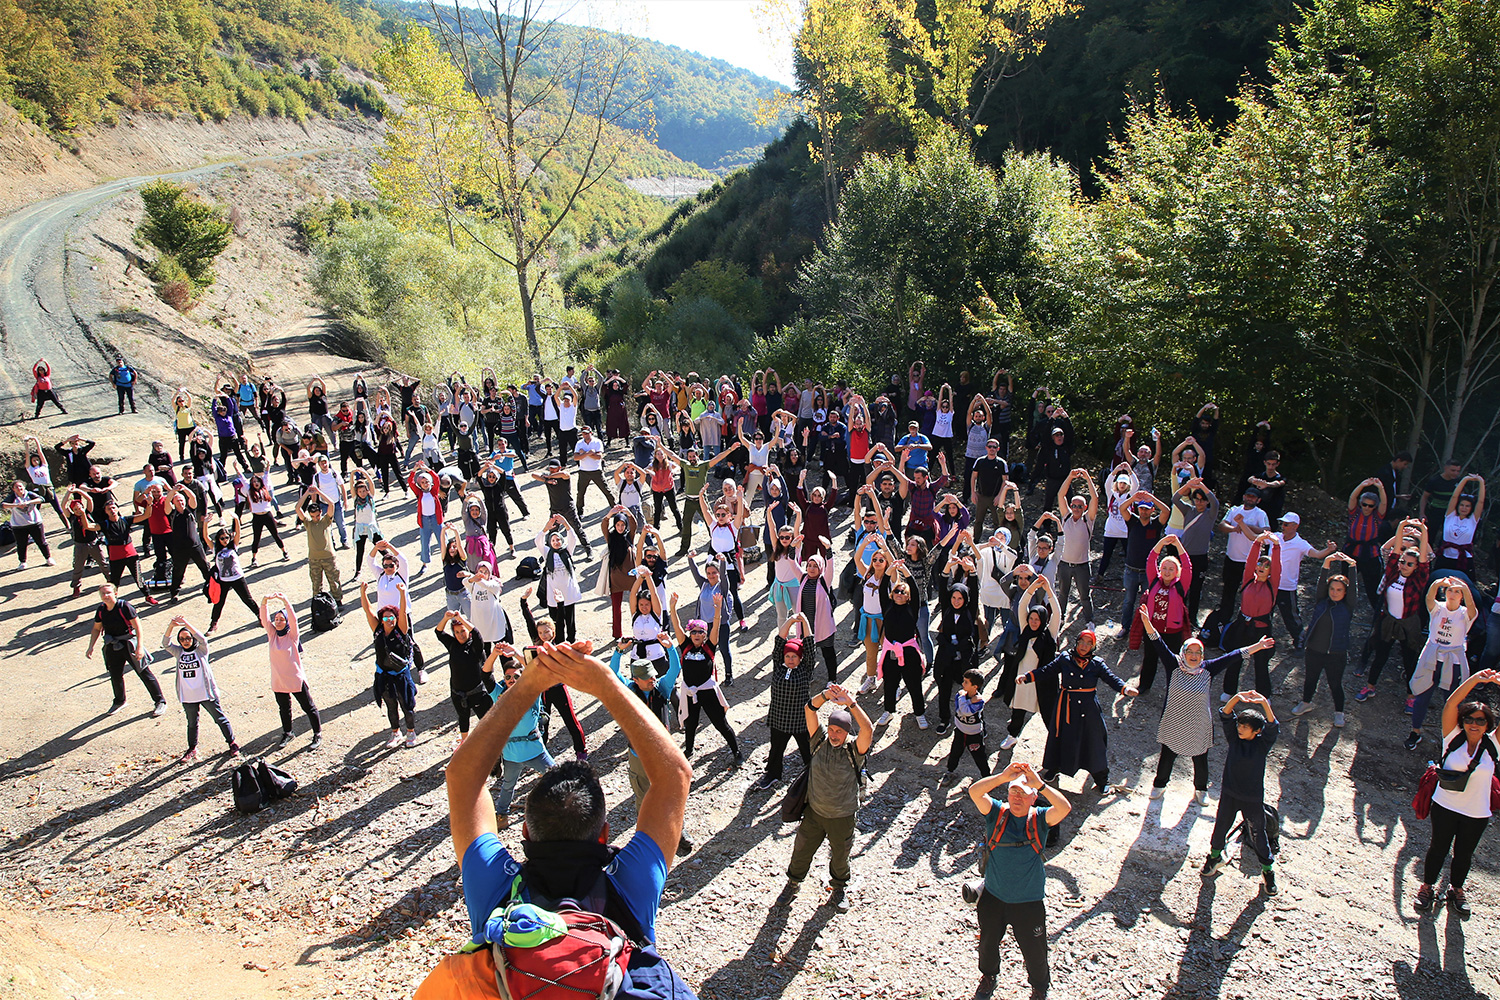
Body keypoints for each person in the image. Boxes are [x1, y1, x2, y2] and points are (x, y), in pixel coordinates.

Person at [417, 642, 696, 999]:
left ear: (525, 831)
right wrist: (606, 684)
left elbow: (461, 778)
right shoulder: (628, 884)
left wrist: (529, 684)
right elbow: (675, 775)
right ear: (604, 834)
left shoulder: (497, 890)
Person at [1139, 607, 1274, 803]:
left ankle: (1201, 789)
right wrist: (1146, 621)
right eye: (1190, 652)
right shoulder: (1174, 665)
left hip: (1199, 722)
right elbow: (1156, 641)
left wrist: (1258, 646)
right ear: (1183, 653)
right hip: (1174, 720)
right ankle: (1159, 784)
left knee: (1200, 757)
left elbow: (1235, 655)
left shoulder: (1208, 669)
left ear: (1202, 655)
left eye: (1197, 652)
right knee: (1167, 755)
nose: (1193, 656)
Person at [967, 761, 1071, 999]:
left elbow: (1064, 808)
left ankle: (1039, 987)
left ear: (1033, 798)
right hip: (994, 895)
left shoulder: (1040, 819)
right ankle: (989, 976)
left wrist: (1041, 785)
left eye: (1023, 793)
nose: (1017, 797)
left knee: (1034, 949)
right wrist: (1002, 777)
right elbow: (974, 791)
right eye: (1013, 791)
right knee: (988, 942)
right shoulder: (996, 813)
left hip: (1029, 901)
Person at [780, 684, 873, 913]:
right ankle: (793, 883)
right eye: (831, 729)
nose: (834, 734)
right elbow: (809, 710)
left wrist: (850, 703)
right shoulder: (819, 740)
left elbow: (868, 729)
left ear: (847, 732)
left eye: (839, 731)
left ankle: (839, 888)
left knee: (840, 856)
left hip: (842, 816)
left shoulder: (854, 750)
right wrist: (825, 696)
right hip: (814, 812)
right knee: (801, 850)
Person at [1412, 670, 1499, 917]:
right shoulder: (1452, 737)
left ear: (1488, 724)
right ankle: (1427, 888)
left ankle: (1456, 890)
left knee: (1464, 854)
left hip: (1477, 811)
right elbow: (1451, 703)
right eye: (1470, 718)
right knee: (1438, 848)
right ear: (1462, 721)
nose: (1474, 724)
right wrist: (1476, 680)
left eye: (1481, 720)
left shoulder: (1494, 745)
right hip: (1445, 805)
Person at [1020, 630, 1138, 795]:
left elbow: (1111, 678)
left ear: (1093, 646)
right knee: (1061, 737)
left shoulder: (1097, 663)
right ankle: (1055, 767)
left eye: (1089, 643)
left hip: (1089, 709)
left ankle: (1101, 779)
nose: (1084, 646)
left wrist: (1125, 689)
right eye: (1082, 641)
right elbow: (1047, 670)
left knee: (1094, 741)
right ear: (1077, 642)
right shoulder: (1065, 659)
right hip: (1066, 707)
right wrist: (1028, 676)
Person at [609, 637, 694, 855]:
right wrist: (619, 652)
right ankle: (647, 838)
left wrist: (670, 648)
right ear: (636, 679)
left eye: (653, 676)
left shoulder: (662, 688)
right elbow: (612, 673)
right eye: (647, 678)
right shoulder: (628, 690)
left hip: (663, 752)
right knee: (643, 796)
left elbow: (675, 668)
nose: (652, 680)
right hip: (638, 754)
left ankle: (678, 832)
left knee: (671, 794)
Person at [1202, 690, 1281, 896]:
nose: (1240, 729)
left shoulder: (1262, 745)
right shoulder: (1234, 739)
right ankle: (1214, 857)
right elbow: (1225, 715)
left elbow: (1273, 726)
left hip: (1252, 799)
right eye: (1239, 725)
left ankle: (1268, 871)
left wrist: (1263, 702)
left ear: (1256, 731)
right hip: (1229, 794)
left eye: (1245, 727)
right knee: (1220, 828)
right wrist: (1237, 697)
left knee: (1258, 836)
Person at [1355, 519, 1433, 703]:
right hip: (1389, 620)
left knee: (1409, 659)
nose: (1404, 565)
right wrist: (1401, 526)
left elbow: (1425, 559)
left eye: (1409, 564)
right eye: (1403, 562)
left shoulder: (1419, 579)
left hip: (1409, 622)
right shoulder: (1392, 572)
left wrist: (1422, 529)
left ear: (1416, 567)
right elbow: (1394, 552)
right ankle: (1370, 686)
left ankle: (1411, 696)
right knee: (1380, 655)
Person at [1405, 577, 1479, 751]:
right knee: (1422, 695)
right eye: (1450, 590)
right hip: (1432, 657)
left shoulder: (1465, 614)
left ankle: (1453, 737)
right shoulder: (1437, 609)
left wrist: (1464, 587)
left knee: (1452, 701)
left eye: (1457, 591)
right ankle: (1415, 732)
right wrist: (1437, 583)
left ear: (1462, 596)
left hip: (1453, 661)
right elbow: (1429, 598)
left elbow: (1472, 606)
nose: (1453, 594)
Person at [668, 591, 740, 762]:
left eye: (700, 632)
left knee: (720, 723)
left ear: (705, 635)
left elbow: (716, 626)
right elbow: (676, 626)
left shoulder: (709, 646)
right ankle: (689, 750)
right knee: (690, 723)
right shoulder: (685, 645)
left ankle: (736, 751)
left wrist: (717, 609)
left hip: (707, 691)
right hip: (690, 692)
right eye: (693, 632)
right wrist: (672, 607)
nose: (697, 635)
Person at [1290, 553, 1359, 727]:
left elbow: (1353, 589)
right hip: (1314, 650)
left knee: (1335, 684)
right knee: (1310, 679)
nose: (1335, 593)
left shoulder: (1348, 606)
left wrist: (1352, 566)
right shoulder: (1322, 601)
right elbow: (1321, 583)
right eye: (1332, 589)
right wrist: (1327, 562)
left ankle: (1339, 713)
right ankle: (1306, 703)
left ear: (1345, 592)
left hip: (1336, 653)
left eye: (1339, 590)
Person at [160, 615, 240, 762]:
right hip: (188, 696)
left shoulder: (201, 650)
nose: (185, 641)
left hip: (206, 693)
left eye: (188, 638)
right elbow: (165, 643)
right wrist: (171, 626)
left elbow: (202, 638)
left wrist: (186, 623)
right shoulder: (179, 652)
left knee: (219, 718)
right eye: (182, 639)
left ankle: (232, 743)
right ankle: (192, 748)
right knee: (192, 723)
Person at [753, 613, 816, 791]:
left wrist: (804, 622)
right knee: (776, 749)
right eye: (787, 656)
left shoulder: (806, 669)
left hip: (800, 719)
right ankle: (773, 774)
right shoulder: (778, 666)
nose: (790, 659)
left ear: (800, 658)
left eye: (794, 656)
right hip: (779, 717)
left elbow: (810, 645)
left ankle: (814, 775)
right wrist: (789, 621)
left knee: (807, 749)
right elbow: (779, 640)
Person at [86, 583, 167, 717]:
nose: (105, 596)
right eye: (103, 594)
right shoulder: (101, 609)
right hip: (112, 644)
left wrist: (139, 647)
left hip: (129, 643)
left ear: (115, 593)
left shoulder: (125, 607)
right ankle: (119, 701)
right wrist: (91, 646)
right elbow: (96, 628)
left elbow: (138, 627)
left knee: (144, 672)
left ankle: (160, 701)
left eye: (108, 593)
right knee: (115, 674)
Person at [359, 580, 418, 749]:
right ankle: (395, 732)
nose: (388, 619)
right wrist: (363, 593)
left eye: (391, 616)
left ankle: (411, 731)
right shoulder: (377, 630)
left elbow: (404, 611)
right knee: (391, 705)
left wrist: (401, 593)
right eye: (385, 617)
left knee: (407, 705)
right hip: (384, 675)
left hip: (401, 675)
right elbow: (367, 610)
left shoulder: (401, 630)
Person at [260, 593, 322, 750]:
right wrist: (264, 603)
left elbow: (294, 620)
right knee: (284, 708)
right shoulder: (272, 635)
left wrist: (285, 601)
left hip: (295, 679)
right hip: (278, 680)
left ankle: (317, 733)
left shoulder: (292, 636)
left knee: (308, 707)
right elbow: (264, 620)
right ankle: (288, 732)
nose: (278, 622)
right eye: (276, 619)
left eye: (282, 619)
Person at [1269, 513, 1338, 650]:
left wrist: (1329, 550)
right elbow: (1254, 538)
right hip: (1269, 583)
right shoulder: (1275, 537)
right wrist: (1241, 524)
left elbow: (1317, 554)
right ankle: (1262, 640)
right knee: (1265, 613)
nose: (1283, 526)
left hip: (1286, 586)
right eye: (1282, 523)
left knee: (1290, 616)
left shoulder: (1300, 544)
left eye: (1286, 524)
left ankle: (1300, 641)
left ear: (1295, 526)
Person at [434, 611, 495, 746]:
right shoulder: (452, 644)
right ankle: (464, 743)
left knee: (487, 720)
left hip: (477, 692)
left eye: (463, 631)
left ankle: (493, 743)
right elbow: (439, 632)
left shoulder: (475, 646)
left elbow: (478, 634)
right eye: (457, 632)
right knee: (463, 718)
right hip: (458, 693)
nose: (461, 635)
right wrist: (445, 618)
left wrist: (461, 618)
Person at [1054, 470, 1098, 631]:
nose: (1076, 508)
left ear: (1085, 507)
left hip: (1082, 565)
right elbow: (1061, 495)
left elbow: (1095, 498)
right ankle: (1060, 618)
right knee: (1063, 594)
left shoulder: (1088, 519)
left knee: (1085, 596)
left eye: (1080, 506)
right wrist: (1070, 476)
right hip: (1064, 563)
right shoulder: (1066, 516)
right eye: (1074, 505)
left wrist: (1087, 478)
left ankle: (1089, 621)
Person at [535, 514, 583, 643]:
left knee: (570, 621)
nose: (556, 542)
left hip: (568, 593)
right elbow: (537, 541)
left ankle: (571, 640)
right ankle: (557, 642)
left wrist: (566, 523)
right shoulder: (547, 553)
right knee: (556, 622)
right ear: (550, 543)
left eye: (558, 540)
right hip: (553, 595)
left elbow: (572, 538)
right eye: (553, 540)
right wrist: (546, 528)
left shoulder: (567, 551)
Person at [207, 518, 259, 632]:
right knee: (219, 603)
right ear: (218, 539)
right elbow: (206, 537)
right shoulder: (216, 549)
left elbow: (238, 533)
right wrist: (205, 523)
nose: (225, 540)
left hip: (237, 578)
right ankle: (213, 623)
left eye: (227, 537)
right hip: (223, 580)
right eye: (222, 538)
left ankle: (260, 616)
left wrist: (236, 519)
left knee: (247, 599)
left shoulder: (233, 546)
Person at [941, 669, 991, 781]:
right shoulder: (960, 695)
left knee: (979, 757)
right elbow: (960, 710)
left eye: (966, 682)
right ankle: (950, 772)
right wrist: (966, 699)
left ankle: (987, 779)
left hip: (974, 734)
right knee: (955, 753)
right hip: (960, 731)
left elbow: (966, 711)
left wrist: (964, 699)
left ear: (975, 686)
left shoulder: (979, 701)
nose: (963, 684)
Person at [298, 487, 343, 606]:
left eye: (317, 515)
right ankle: (318, 603)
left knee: (333, 581)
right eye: (313, 516)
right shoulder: (308, 523)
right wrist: (307, 493)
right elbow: (298, 508)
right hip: (314, 559)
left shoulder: (325, 521)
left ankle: (338, 601)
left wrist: (318, 492)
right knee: (316, 583)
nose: (315, 518)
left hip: (328, 557)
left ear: (320, 513)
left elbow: (331, 504)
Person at [5, 480, 52, 569]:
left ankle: (48, 558)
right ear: (13, 489)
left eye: (21, 486)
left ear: (24, 487)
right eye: (16, 487)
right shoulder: (12, 497)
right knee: (21, 544)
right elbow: (3, 505)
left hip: (35, 522)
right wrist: (16, 505)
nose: (19, 489)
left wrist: (29, 502)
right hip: (18, 525)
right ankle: (22, 562)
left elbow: (41, 499)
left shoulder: (30, 494)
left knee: (41, 542)